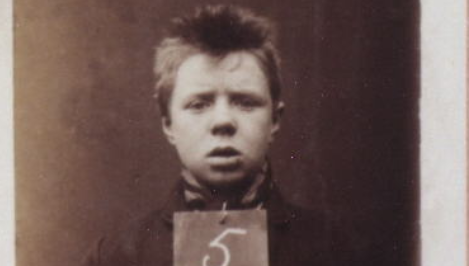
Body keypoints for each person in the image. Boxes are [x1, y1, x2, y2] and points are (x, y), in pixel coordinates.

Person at [84, 4, 350, 266]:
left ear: (275, 120)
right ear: (168, 123)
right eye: (199, 104)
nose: (223, 121)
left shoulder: (340, 252)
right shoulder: (115, 258)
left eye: (245, 102)